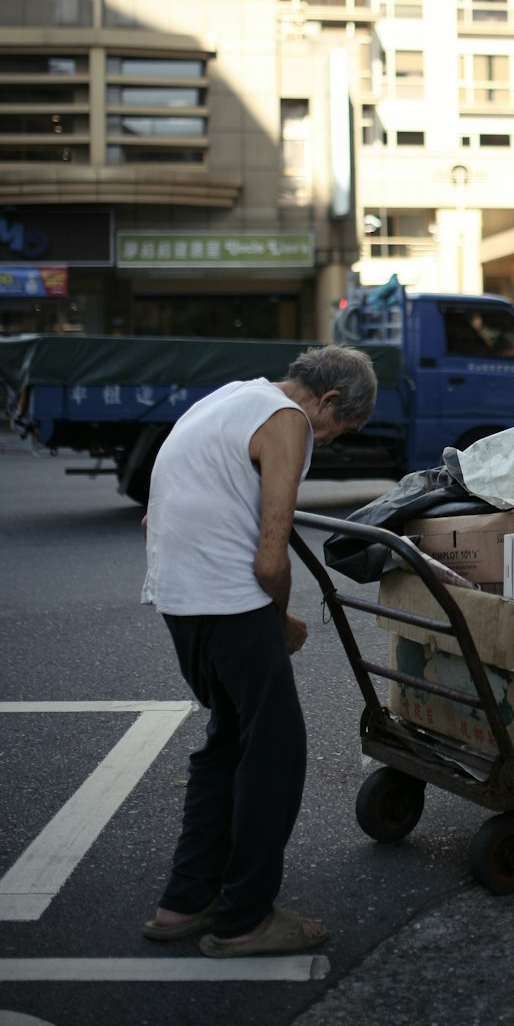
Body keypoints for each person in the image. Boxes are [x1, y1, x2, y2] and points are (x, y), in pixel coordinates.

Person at [140, 343, 377, 959]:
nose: (327, 441)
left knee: (228, 742)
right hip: (230, 603)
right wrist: (280, 622)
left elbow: (152, 520)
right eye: (338, 427)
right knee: (276, 751)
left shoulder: (228, 398)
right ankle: (244, 918)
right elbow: (272, 555)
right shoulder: (288, 420)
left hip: (180, 601)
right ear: (326, 400)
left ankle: (186, 901)